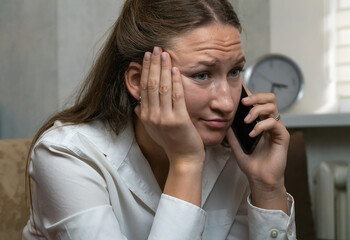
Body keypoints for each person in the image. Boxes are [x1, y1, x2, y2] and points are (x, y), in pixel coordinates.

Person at [23, 0, 296, 239]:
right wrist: (186, 164)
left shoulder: (236, 153)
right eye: (202, 75)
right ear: (139, 82)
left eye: (235, 71)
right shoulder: (67, 155)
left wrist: (267, 187)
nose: (226, 103)